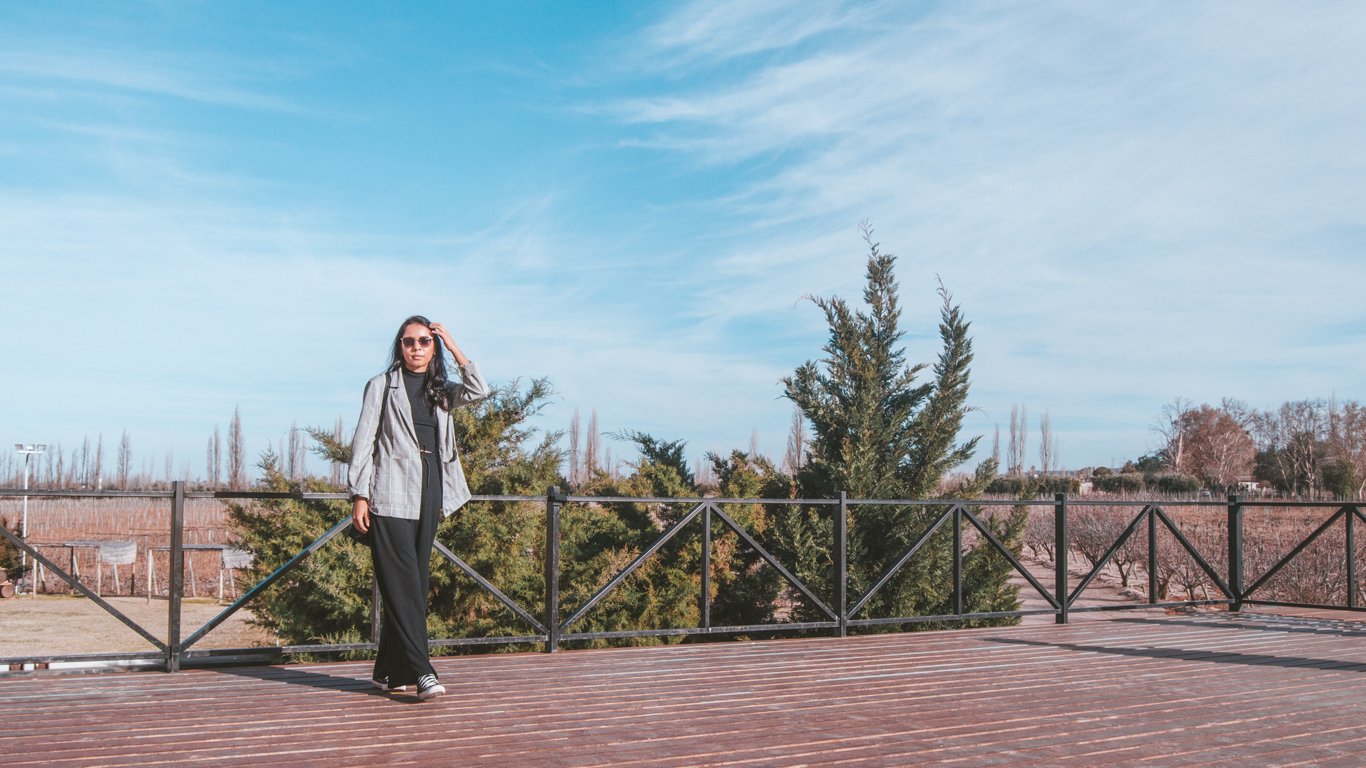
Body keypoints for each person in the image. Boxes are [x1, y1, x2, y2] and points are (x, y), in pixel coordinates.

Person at [348, 315, 489, 700]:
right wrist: (360, 494)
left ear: (433, 347)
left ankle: (388, 671)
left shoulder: (440, 389)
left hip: (431, 488)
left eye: (425, 341)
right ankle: (423, 671)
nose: (416, 348)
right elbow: (364, 441)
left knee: (414, 582)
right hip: (389, 491)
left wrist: (454, 344)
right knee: (405, 582)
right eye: (409, 341)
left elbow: (479, 390)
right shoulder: (381, 386)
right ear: (400, 346)